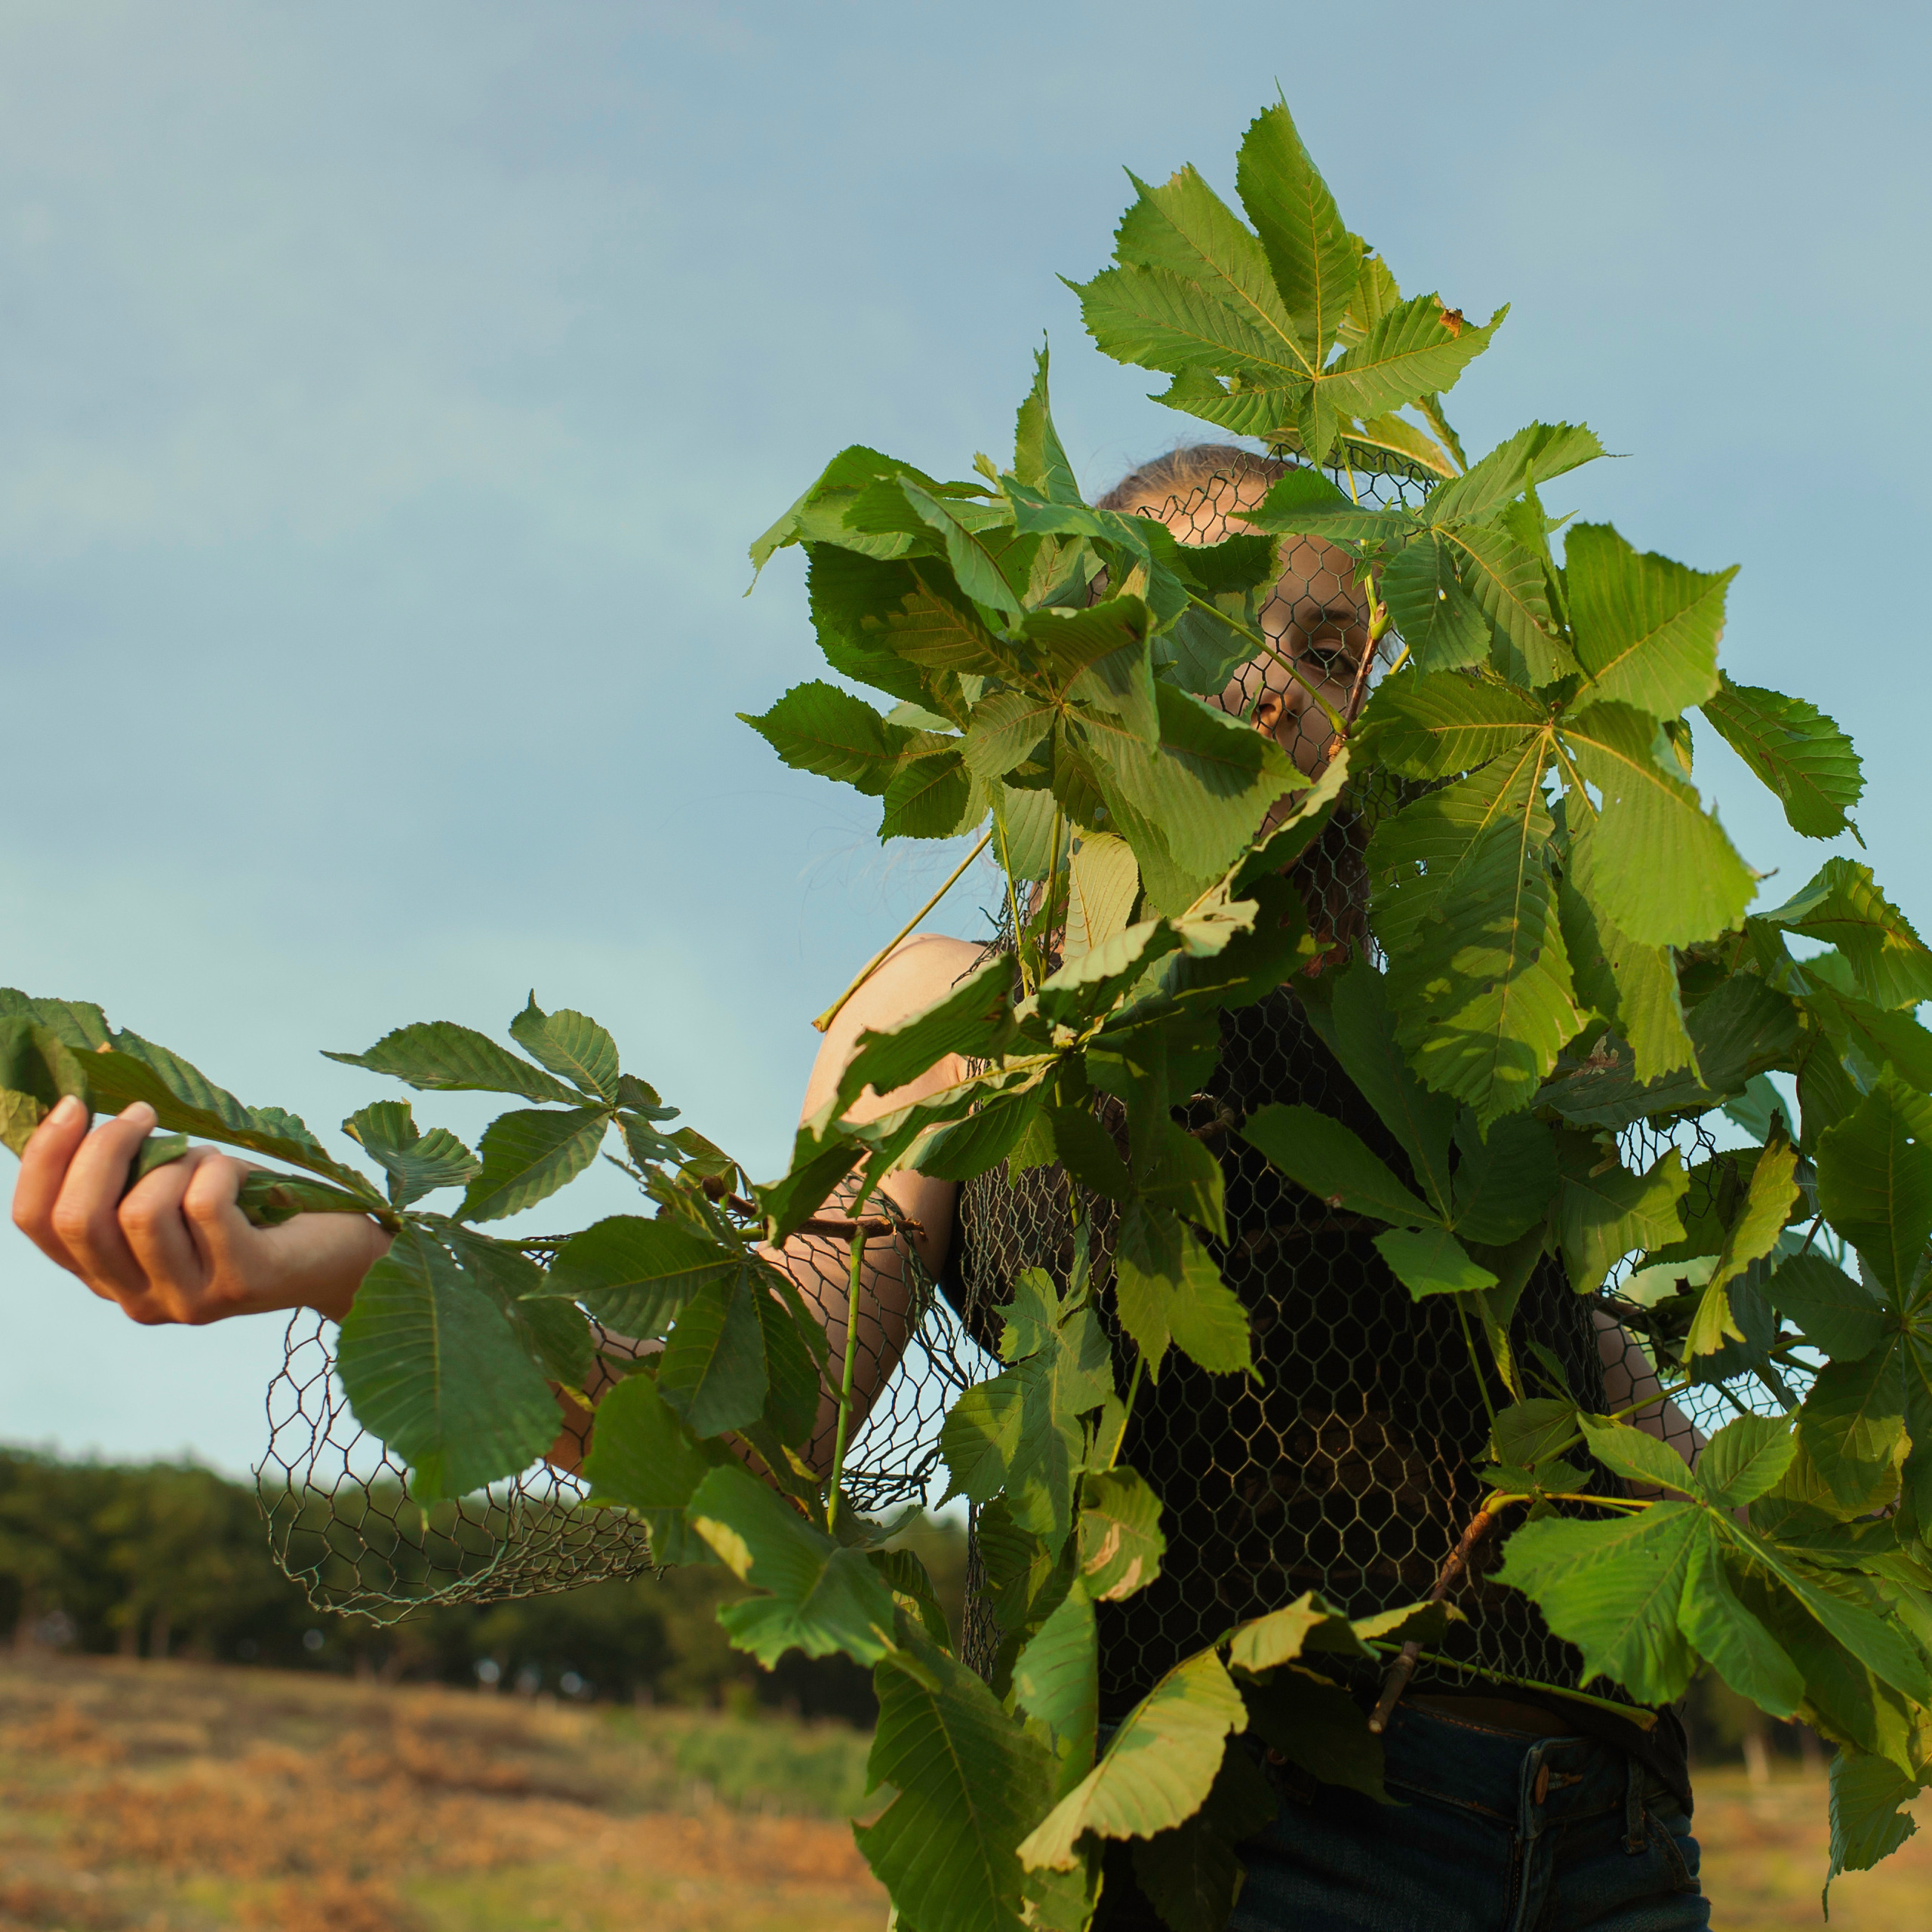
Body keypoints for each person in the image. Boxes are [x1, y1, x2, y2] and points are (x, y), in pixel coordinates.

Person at [10, 444, 1709, 1930]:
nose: (1274, 683)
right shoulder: (962, 1020)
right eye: (1199, 627)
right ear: (1066, 679)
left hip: (1618, 1827)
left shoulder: (1473, 1018)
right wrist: (371, 1265)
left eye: (1327, 649)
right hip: (1255, 1840)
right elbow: (777, 1396)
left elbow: (1619, 1404)